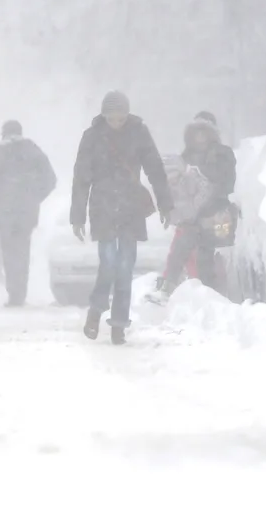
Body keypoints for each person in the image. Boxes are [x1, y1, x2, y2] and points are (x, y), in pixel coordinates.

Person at [70, 90, 172, 345]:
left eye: (121, 118)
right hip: (103, 207)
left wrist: (166, 204)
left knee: (125, 267)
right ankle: (96, 311)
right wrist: (77, 216)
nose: (116, 122)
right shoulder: (92, 137)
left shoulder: (139, 133)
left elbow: (155, 169)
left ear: (127, 115)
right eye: (112, 118)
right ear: (104, 116)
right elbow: (81, 178)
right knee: (108, 263)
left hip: (130, 208)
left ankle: (118, 324)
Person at [146, 113, 237, 303]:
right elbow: (178, 190)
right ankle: (171, 288)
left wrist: (199, 176)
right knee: (181, 248)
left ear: (213, 134)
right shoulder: (185, 157)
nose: (200, 138)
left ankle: (211, 296)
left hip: (218, 217)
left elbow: (225, 182)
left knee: (208, 255)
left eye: (204, 132)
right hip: (192, 218)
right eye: (197, 133)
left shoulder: (223, 154)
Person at [0, 120, 57, 306]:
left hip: (3, 211)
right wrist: (35, 196)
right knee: (23, 249)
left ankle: (14, 294)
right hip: (27, 211)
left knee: (8, 250)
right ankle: (20, 292)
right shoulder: (32, 150)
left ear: (3, 133)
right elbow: (51, 179)